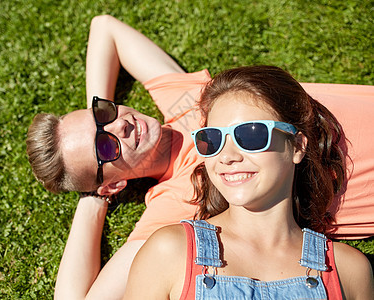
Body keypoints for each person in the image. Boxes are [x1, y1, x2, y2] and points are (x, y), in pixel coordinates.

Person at [25, 15, 374, 299]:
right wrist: (92, 200)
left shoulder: (182, 99)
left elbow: (104, 28)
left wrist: (97, 122)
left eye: (105, 114)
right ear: (112, 185)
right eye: (105, 148)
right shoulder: (172, 206)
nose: (122, 128)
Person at [123, 65, 374, 300]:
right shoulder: (169, 251)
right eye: (212, 139)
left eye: (251, 135)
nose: (227, 156)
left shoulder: (348, 270)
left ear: (297, 146)